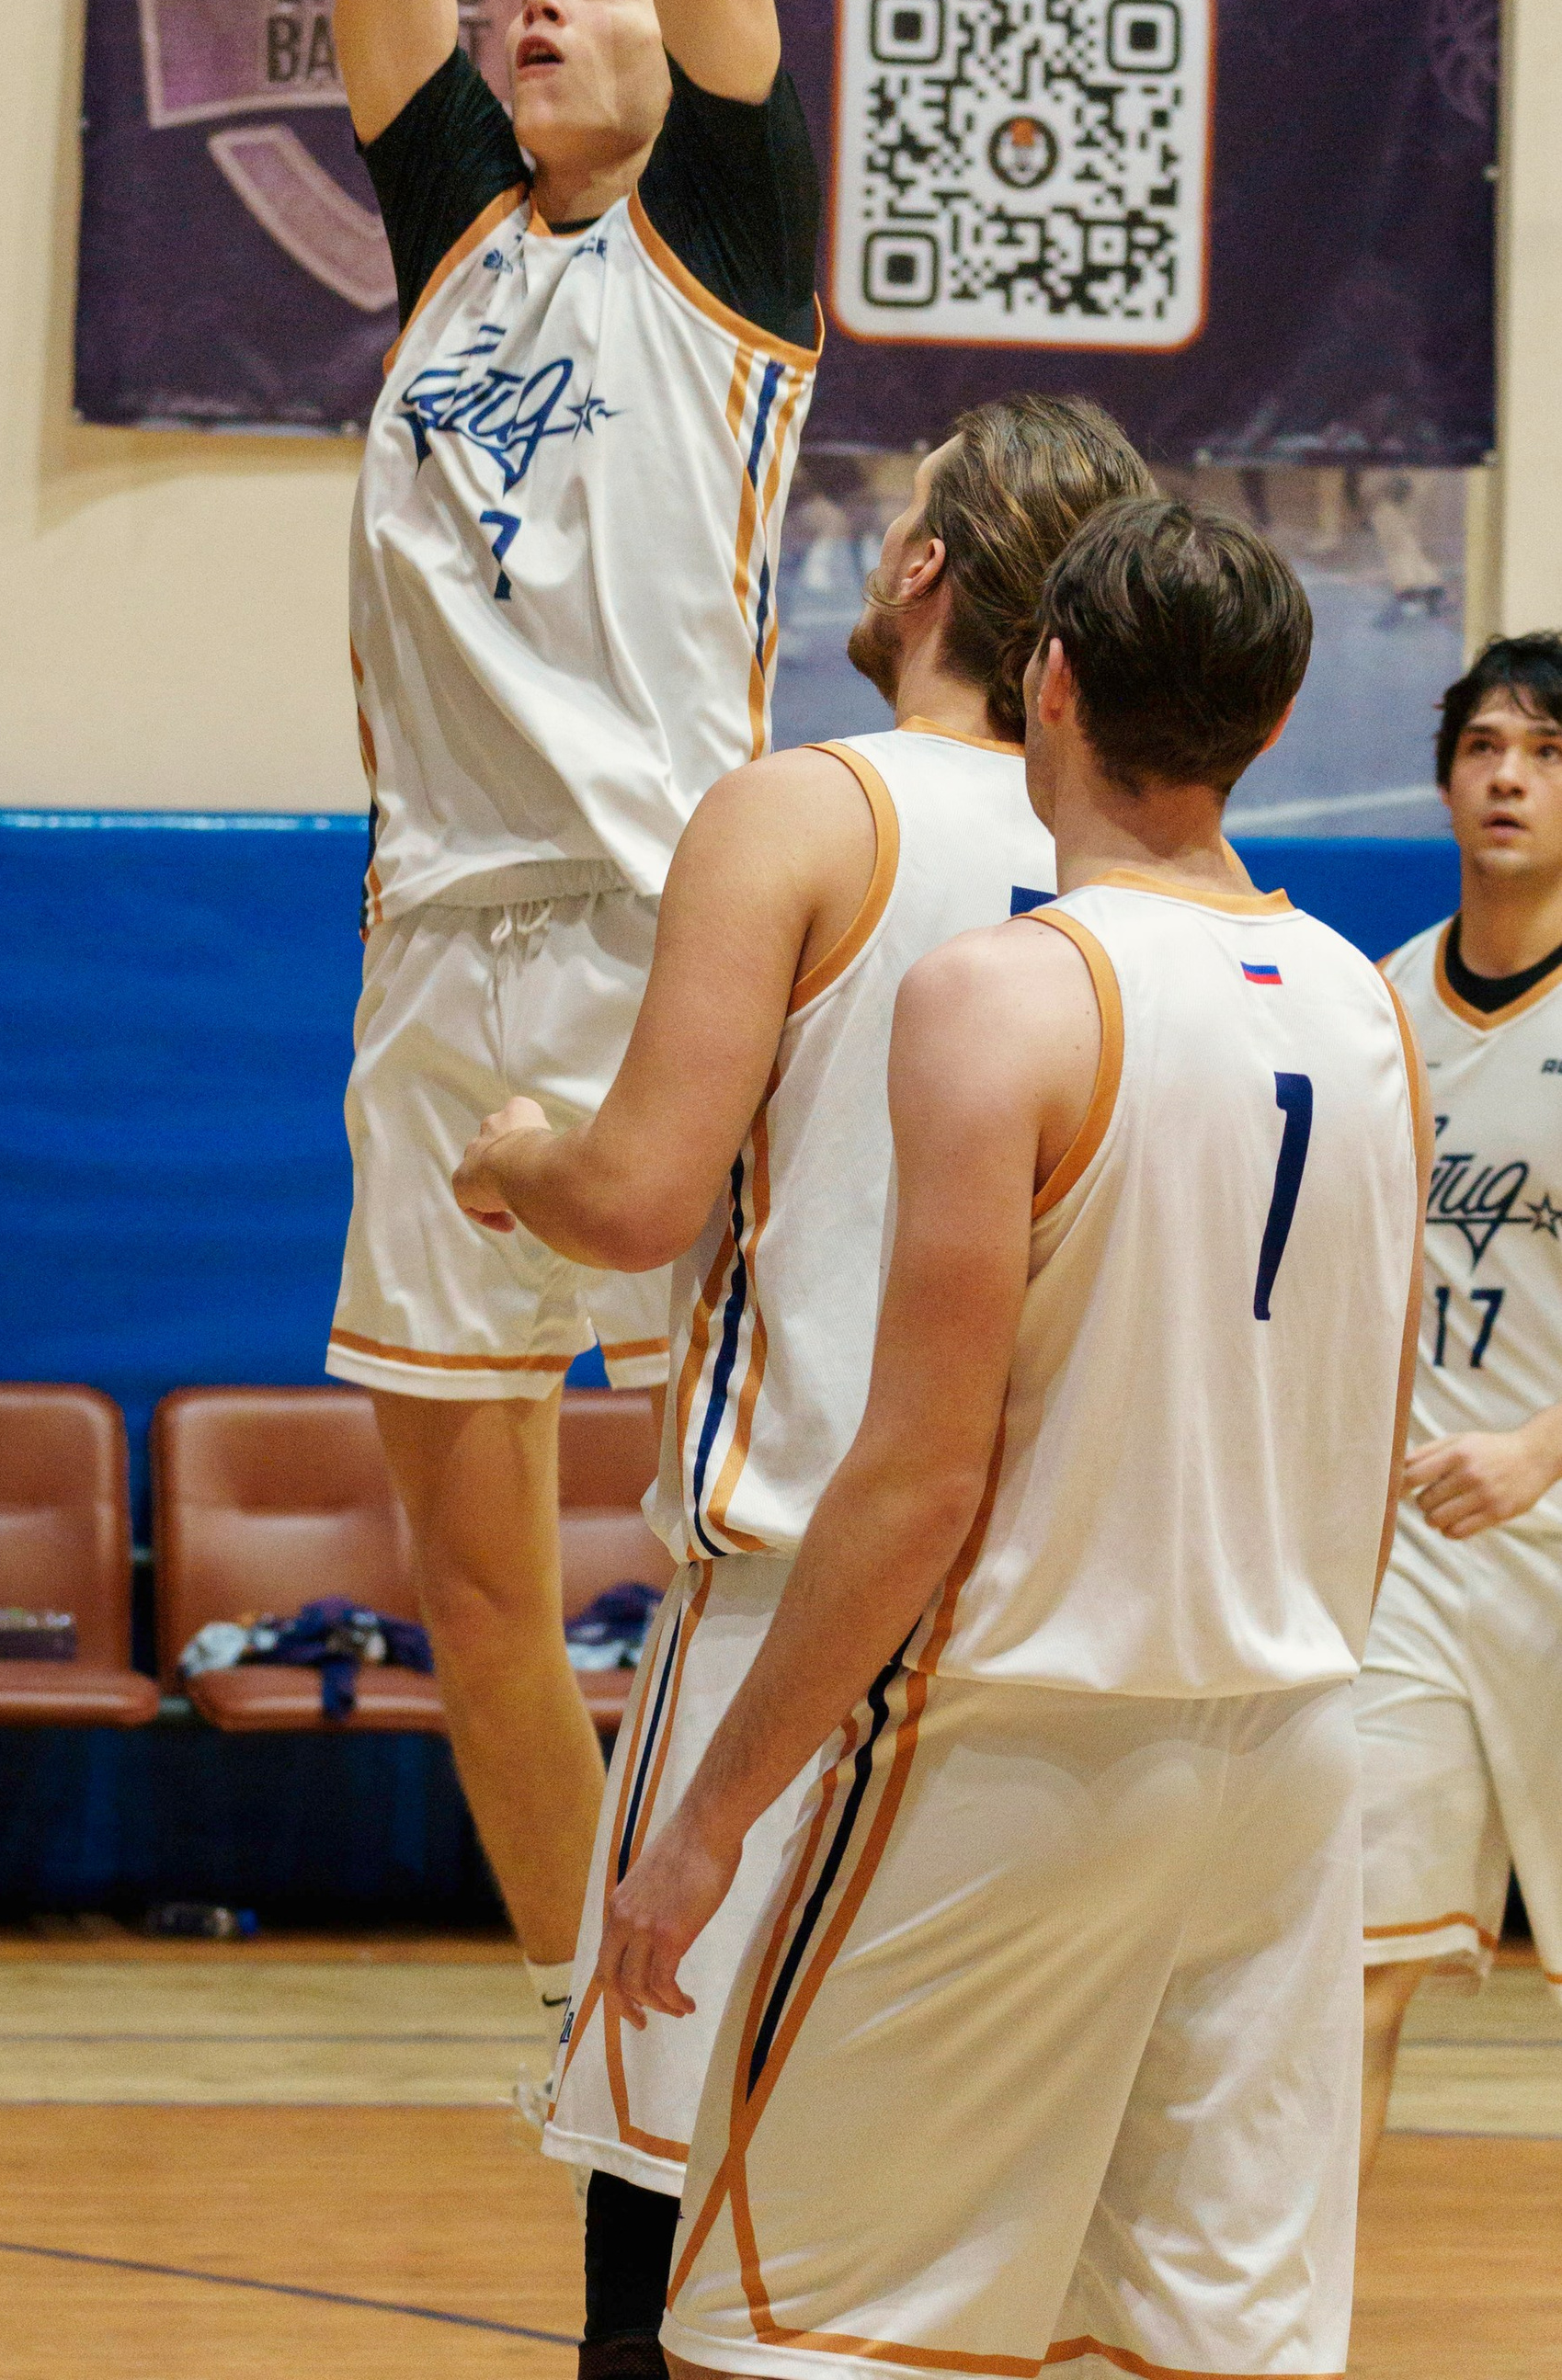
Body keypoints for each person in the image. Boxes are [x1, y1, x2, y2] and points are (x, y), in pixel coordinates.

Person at [594, 495, 1427, 2380]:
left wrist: (705, 1817)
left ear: (1044, 680)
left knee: (798, 2329)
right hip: (1288, 1754)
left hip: (1021, 1753)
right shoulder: (1373, 1019)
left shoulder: (1006, 993)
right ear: (1272, 724)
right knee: (1190, 2345)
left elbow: (914, 1478)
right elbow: (1366, 1455)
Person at [314, 0, 821, 2065]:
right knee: (479, 1586)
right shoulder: (444, 241)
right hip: (433, 954)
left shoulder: (719, 246)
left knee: (755, 1519)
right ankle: (592, 2041)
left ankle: (779, 1959)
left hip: (680, 936)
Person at [456, 393, 1153, 2378]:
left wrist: (513, 1153)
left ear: (926, 570)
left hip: (797, 1590)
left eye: (903, 509)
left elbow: (636, 1192)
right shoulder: (1145, 865)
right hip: (1056, 1621)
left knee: (662, 2213)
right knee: (947, 2250)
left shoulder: (804, 806)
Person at [1358, 632, 1562, 2175]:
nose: (1511, 776)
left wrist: (1543, 1449)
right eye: (1488, 744)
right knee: (1351, 1977)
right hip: (1411, 1563)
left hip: (1549, 1532)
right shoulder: (1371, 1009)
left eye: (1551, 754)